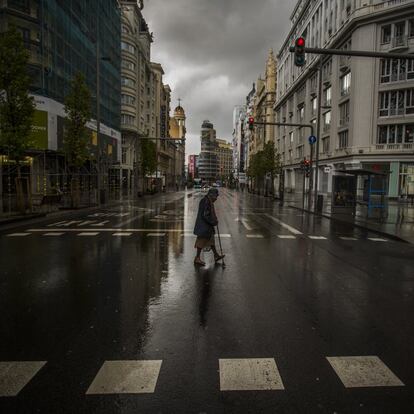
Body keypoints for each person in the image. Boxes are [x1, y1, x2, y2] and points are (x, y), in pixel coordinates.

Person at [193, 188, 225, 266]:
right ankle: (197, 258)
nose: (216, 198)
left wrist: (214, 219)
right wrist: (213, 221)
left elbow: (210, 213)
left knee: (211, 240)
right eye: (215, 197)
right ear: (211, 195)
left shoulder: (208, 201)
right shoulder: (206, 201)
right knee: (201, 241)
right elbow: (205, 215)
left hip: (207, 226)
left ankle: (216, 255)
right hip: (204, 226)